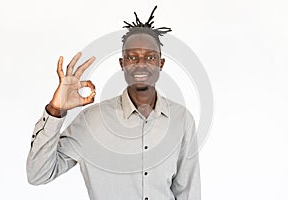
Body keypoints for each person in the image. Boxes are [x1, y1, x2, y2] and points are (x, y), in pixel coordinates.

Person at [26, 6, 201, 200]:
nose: (141, 63)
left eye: (150, 57)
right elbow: (38, 174)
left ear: (161, 63)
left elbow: (188, 192)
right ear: (122, 63)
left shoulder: (181, 119)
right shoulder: (91, 121)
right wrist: (55, 110)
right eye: (132, 57)